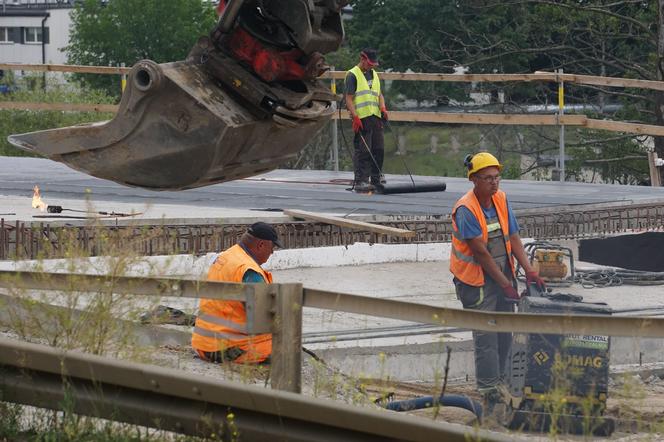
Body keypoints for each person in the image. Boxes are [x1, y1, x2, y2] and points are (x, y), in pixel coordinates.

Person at [449, 152, 546, 410]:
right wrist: (505, 284)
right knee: (486, 336)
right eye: (488, 178)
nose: (494, 182)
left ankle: (504, 382)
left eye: (497, 177)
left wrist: (529, 270)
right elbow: (481, 254)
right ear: (474, 180)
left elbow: (513, 237)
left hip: (502, 275)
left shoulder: (500, 199)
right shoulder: (466, 209)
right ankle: (490, 391)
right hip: (476, 283)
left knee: (505, 331)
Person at [191, 222, 283, 364]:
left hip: (202, 343)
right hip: (225, 349)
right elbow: (263, 320)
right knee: (286, 347)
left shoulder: (226, 256)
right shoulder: (249, 271)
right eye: (272, 248)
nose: (272, 253)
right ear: (261, 245)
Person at [344, 48, 389, 192]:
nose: (371, 66)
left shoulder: (374, 74)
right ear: (362, 59)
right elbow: (349, 99)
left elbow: (379, 94)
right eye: (369, 63)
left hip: (375, 118)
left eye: (373, 64)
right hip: (362, 119)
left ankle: (376, 180)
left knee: (378, 149)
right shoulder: (352, 75)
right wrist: (355, 117)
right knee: (363, 151)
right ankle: (361, 181)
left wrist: (383, 108)